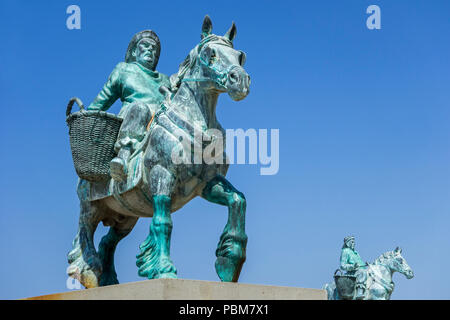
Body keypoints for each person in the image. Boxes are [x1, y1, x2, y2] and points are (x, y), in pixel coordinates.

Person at [87, 30, 170, 182]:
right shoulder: (124, 69)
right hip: (133, 118)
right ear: (133, 51)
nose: (150, 50)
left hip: (158, 123)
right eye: (145, 45)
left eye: (154, 49)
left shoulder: (165, 80)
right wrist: (87, 117)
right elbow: (103, 98)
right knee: (140, 108)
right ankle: (123, 157)